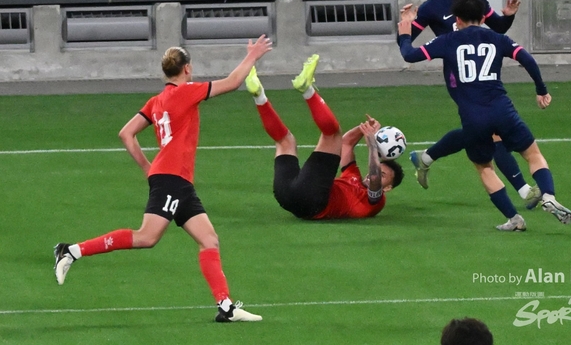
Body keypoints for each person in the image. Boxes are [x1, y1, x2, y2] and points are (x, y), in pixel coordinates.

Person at [53, 36, 273, 322]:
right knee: (146, 237)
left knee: (209, 239)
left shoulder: (156, 101)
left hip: (176, 180)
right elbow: (232, 82)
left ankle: (226, 307)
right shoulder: (188, 92)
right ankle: (71, 251)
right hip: (172, 178)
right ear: (187, 69)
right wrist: (253, 56)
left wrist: (148, 167)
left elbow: (126, 133)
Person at [397, 0, 571, 230]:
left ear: (457, 19)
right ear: (483, 18)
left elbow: (409, 54)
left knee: (484, 168)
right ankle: (549, 196)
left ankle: (514, 219)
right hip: (502, 109)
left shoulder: (447, 40)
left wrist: (405, 32)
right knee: (533, 155)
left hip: (473, 117)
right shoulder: (497, 38)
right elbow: (528, 60)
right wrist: (541, 90)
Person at [400, 0, 541, 212]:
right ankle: (525, 190)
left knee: (477, 130)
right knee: (492, 131)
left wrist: (508, 17)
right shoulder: (432, 7)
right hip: (459, 78)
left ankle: (426, 157)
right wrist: (404, 27)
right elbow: (407, 41)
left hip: (483, 74)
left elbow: (497, 27)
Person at [244, 54, 404, 219]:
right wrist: (364, 129)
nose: (372, 174)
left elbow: (374, 176)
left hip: (313, 201)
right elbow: (346, 143)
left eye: (383, 176)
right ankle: (259, 96)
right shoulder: (352, 176)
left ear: (387, 188)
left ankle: (307, 90)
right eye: (378, 171)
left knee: (332, 134)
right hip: (287, 197)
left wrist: (372, 145)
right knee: (285, 141)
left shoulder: (375, 201)